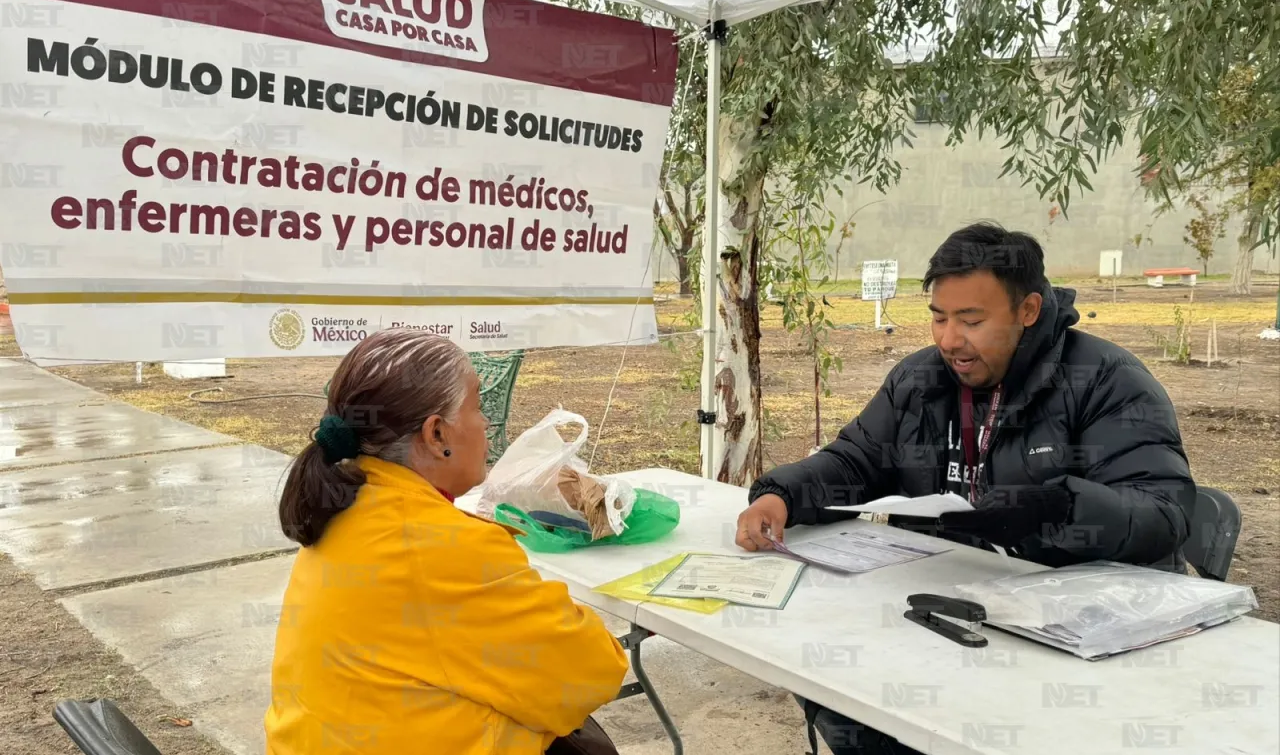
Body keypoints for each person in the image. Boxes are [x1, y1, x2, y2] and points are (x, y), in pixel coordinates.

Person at [735, 221, 1196, 755]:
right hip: (947, 609)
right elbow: (858, 459)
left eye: (971, 320)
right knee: (831, 687)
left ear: (1028, 310)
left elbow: (1163, 513)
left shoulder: (1105, 381)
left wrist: (1060, 509)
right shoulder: (919, 382)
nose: (950, 339)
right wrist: (782, 495)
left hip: (1070, 630)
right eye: (938, 317)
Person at [265, 329, 628, 755]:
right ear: (437, 435)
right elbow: (593, 671)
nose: (487, 424)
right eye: (476, 407)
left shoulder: (348, 505)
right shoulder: (443, 546)